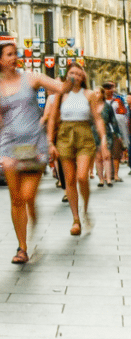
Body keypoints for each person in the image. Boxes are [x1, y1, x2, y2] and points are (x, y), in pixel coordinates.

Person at [0, 41, 78, 264]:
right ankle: (22, 248)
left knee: (27, 196)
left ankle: (30, 224)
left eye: (16, 54)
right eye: (9, 54)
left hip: (34, 145)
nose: (15, 58)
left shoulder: (31, 78)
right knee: (16, 199)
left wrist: (71, 76)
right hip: (9, 147)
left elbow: (59, 88)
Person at [47, 63, 109, 236]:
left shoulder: (89, 94)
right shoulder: (60, 94)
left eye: (79, 74)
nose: (75, 76)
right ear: (67, 75)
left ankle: (86, 209)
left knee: (82, 176)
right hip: (65, 135)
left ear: (83, 77)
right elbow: (52, 119)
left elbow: (97, 119)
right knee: (70, 179)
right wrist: (50, 142)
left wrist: (103, 140)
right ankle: (76, 219)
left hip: (84, 134)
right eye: (72, 73)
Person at [94, 85, 121, 188]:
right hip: (94, 133)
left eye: (98, 92)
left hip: (106, 133)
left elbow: (113, 121)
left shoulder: (107, 106)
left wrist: (118, 134)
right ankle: (101, 179)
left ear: (102, 94)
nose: (95, 94)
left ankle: (108, 179)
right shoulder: (91, 106)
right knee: (98, 158)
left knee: (107, 156)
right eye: (94, 93)